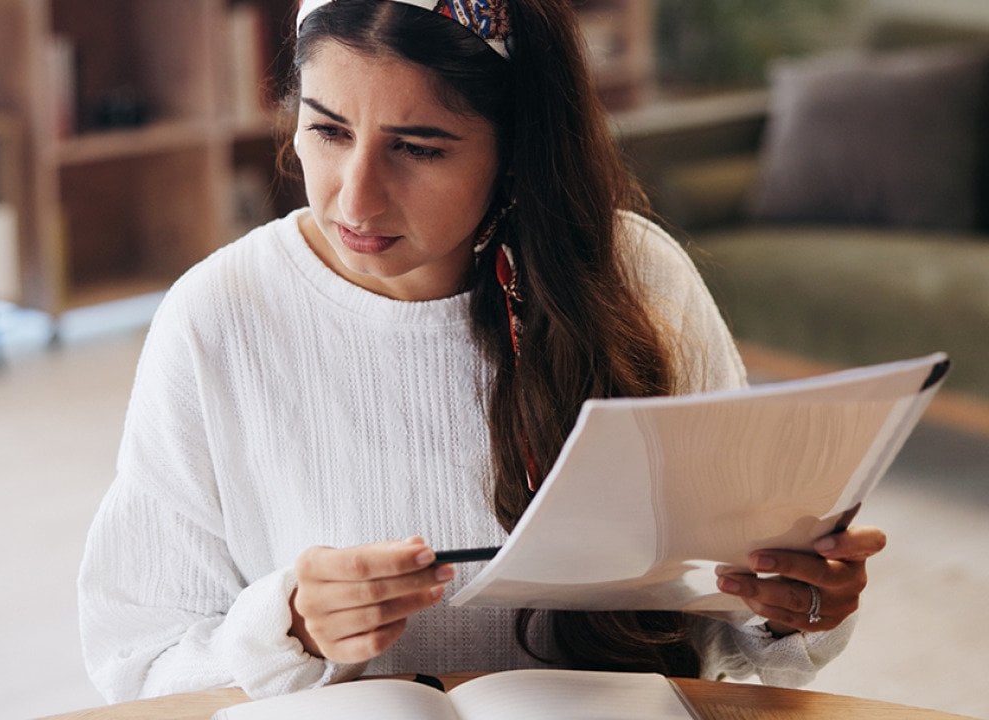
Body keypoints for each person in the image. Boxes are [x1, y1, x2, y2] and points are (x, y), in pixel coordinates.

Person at [78, 0, 887, 702]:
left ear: (517, 150)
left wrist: (797, 602)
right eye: (327, 130)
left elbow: (734, 619)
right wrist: (286, 625)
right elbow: (138, 662)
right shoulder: (217, 316)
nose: (353, 196)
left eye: (419, 147)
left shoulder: (640, 280)